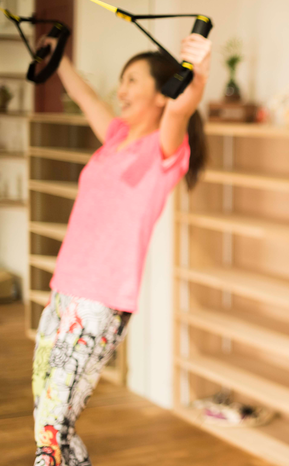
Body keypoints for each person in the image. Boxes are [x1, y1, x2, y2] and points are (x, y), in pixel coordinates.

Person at [31, 32, 212, 466]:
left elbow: (183, 107)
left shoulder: (166, 148)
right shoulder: (115, 137)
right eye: (121, 80)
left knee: (51, 430)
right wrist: (58, 56)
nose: (122, 89)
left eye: (132, 80)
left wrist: (199, 74)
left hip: (101, 299)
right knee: (48, 418)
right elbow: (84, 94)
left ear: (162, 92)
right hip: (64, 288)